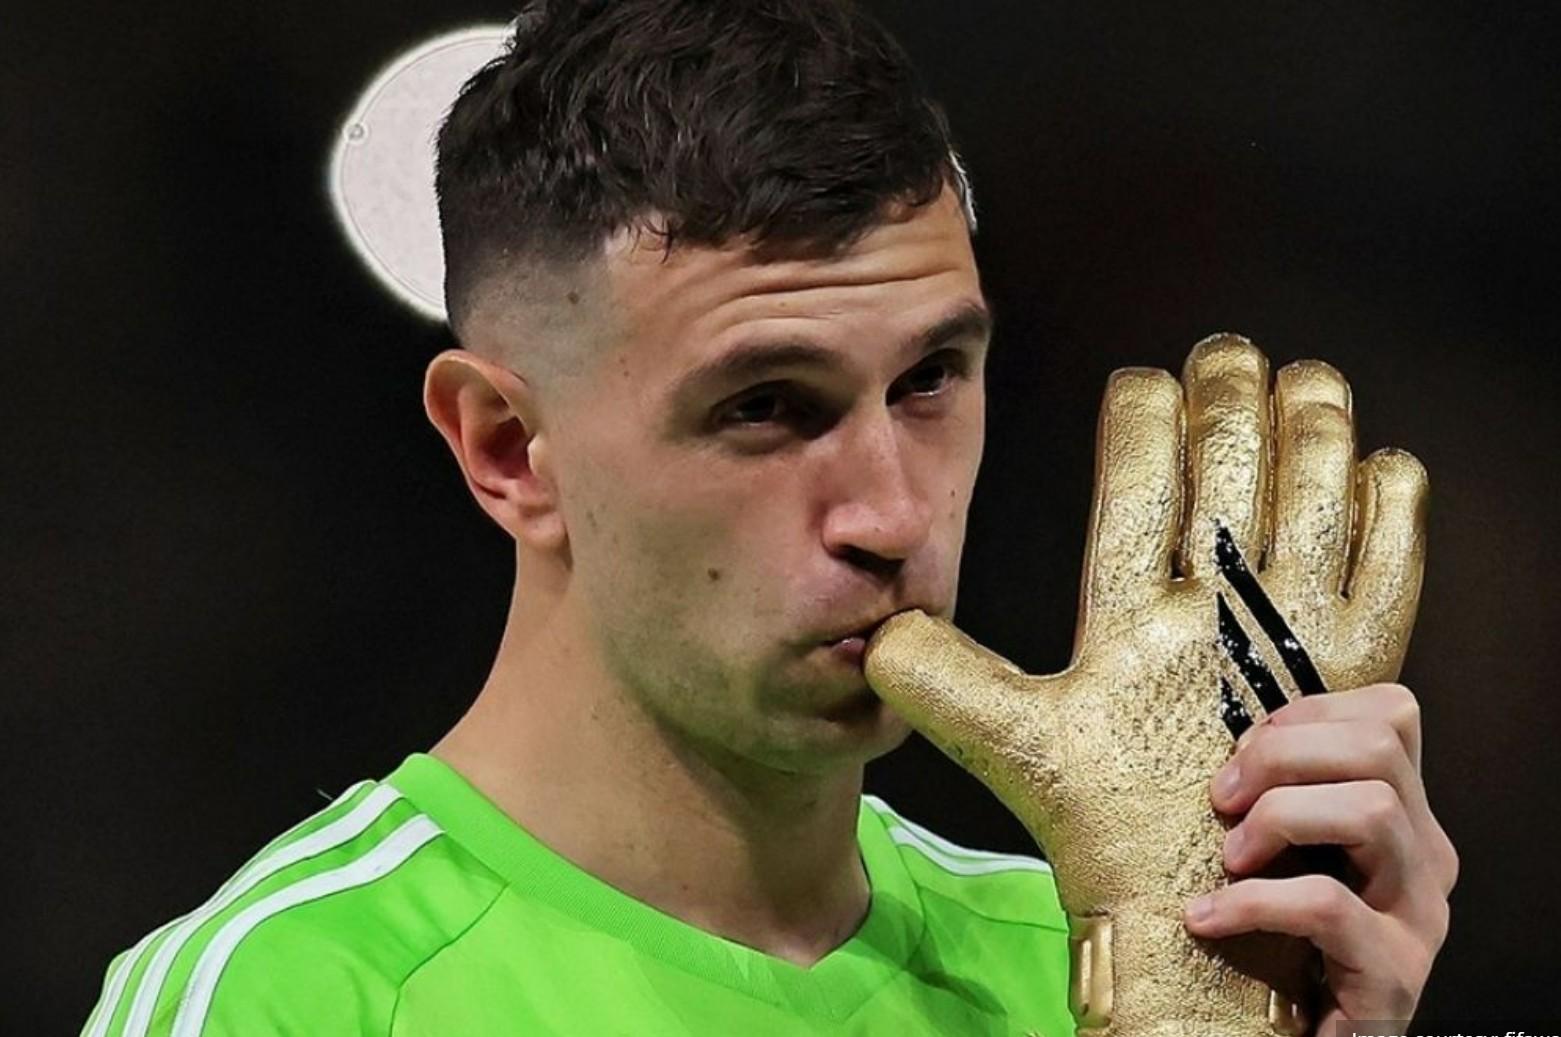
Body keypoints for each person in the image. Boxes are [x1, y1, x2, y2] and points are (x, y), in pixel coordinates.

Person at [81, 1, 1456, 1034]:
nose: (892, 511)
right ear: (507, 449)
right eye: (765, 406)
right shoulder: (287, 995)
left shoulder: (1118, 962)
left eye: (929, 379)